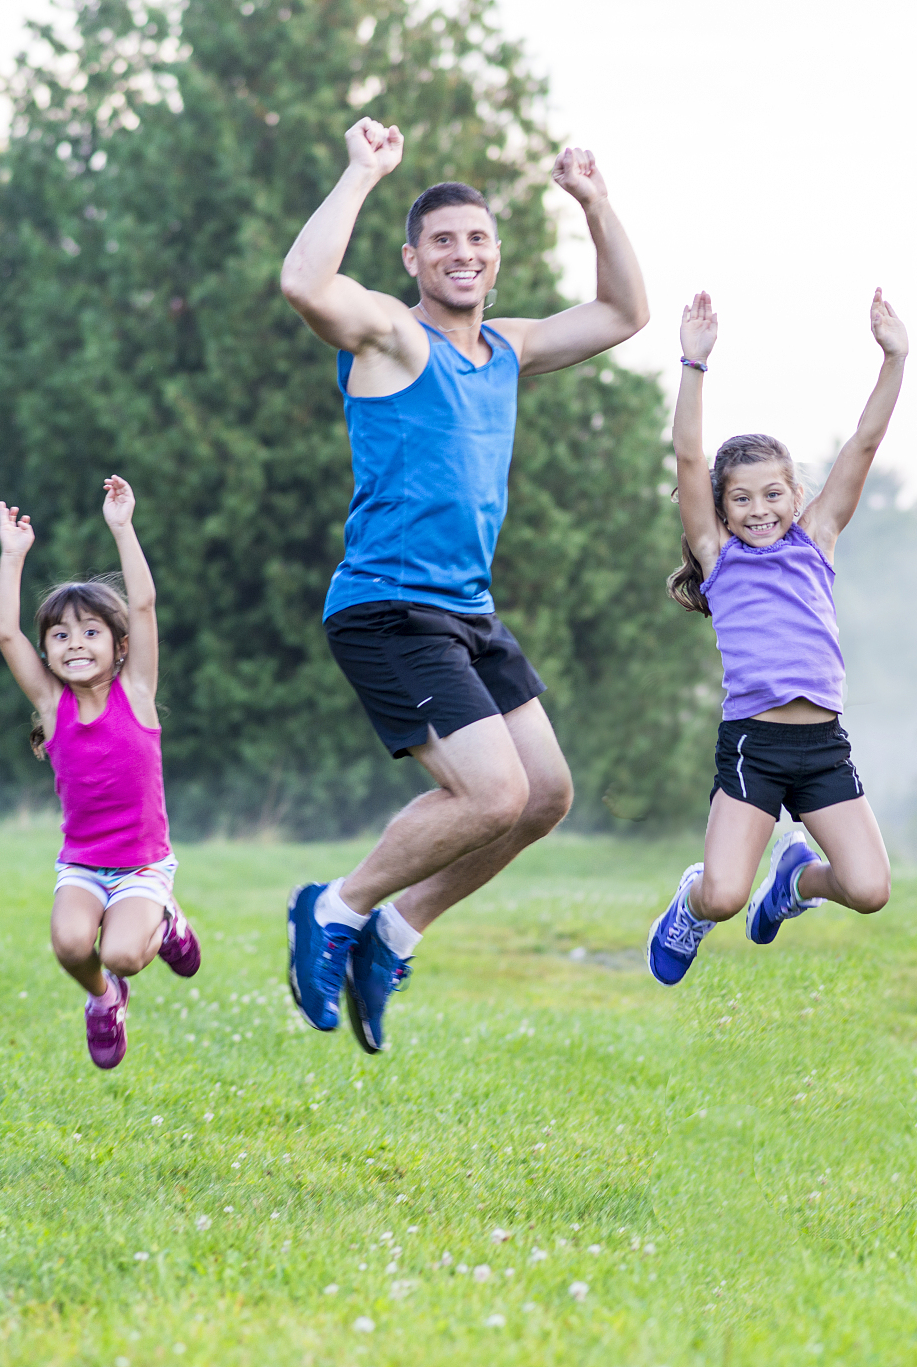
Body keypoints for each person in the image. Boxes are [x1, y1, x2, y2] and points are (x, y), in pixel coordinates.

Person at [277, 116, 650, 1052]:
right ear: (412, 259)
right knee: (489, 794)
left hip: (469, 616)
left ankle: (396, 933)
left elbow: (622, 314)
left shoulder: (509, 349)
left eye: (478, 239)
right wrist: (361, 172)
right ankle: (336, 908)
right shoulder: (395, 339)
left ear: (496, 257)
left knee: (546, 795)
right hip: (388, 607)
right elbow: (302, 282)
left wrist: (598, 204)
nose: (463, 252)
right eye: (442, 240)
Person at [646, 289, 904, 985]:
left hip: (822, 746)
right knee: (726, 895)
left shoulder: (816, 539)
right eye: (742, 498)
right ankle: (689, 907)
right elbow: (689, 456)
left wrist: (894, 356)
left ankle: (795, 883)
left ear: (795, 495)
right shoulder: (720, 556)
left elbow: (865, 441)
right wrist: (693, 364)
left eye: (772, 494)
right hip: (755, 747)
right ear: (723, 511)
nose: (759, 509)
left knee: (870, 888)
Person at [0, 477, 201, 1069]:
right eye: (59, 635)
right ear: (48, 651)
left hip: (142, 865)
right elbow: (5, 631)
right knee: (71, 945)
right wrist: (12, 557)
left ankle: (166, 920)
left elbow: (143, 604)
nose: (74, 644)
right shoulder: (51, 707)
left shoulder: (135, 692)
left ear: (120, 646)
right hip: (83, 864)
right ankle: (104, 1001)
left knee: (128, 953)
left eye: (89, 633)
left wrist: (122, 526)